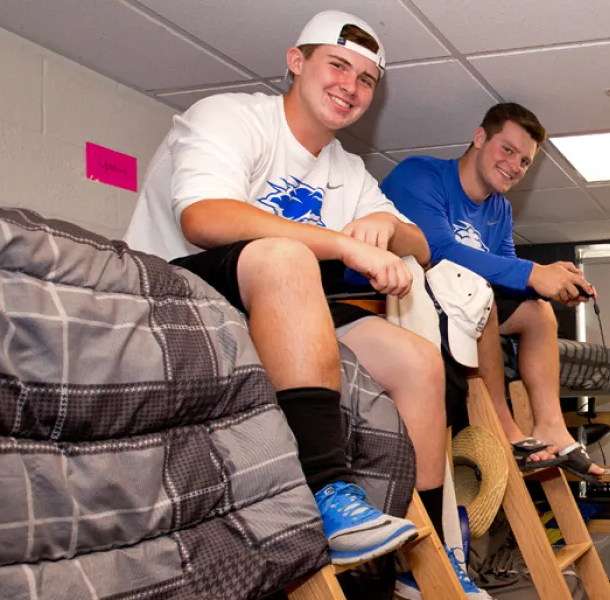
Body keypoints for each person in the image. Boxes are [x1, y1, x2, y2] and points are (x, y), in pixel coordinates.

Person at [123, 10, 453, 567]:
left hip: (273, 297)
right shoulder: (231, 117)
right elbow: (203, 218)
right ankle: (329, 490)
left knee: (417, 359)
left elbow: (422, 247)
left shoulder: (347, 169)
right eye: (338, 65)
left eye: (367, 79)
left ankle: (426, 561)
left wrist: (391, 229)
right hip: (176, 294)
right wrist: (344, 244)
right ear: (296, 63)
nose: (351, 86)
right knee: (286, 256)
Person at [380, 103, 605, 481]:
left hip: (462, 310)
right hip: (403, 302)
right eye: (508, 150)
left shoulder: (499, 208)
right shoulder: (420, 176)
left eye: (525, 161)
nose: (515, 166)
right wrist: (535, 273)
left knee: (538, 312)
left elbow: (507, 276)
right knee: (485, 297)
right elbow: (435, 251)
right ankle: (503, 426)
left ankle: (551, 425)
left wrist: (550, 286)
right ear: (480, 137)